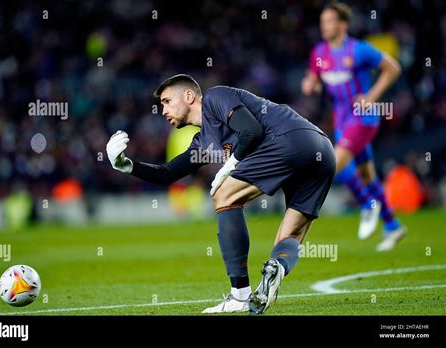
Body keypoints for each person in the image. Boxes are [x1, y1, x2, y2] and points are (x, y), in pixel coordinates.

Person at [106, 74, 335, 314]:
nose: (163, 110)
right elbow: (166, 174)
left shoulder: (216, 97)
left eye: (166, 101)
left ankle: (240, 295)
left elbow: (251, 131)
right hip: (322, 152)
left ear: (188, 96)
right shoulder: (203, 142)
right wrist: (127, 165)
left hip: (289, 138)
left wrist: (230, 165)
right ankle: (277, 266)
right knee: (292, 235)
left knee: (224, 195)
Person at [301, 2, 406, 251]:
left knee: (334, 164)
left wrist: (371, 96)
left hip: (363, 116)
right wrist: (309, 85)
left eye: (329, 21)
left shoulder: (359, 50)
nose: (324, 26)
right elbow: (313, 79)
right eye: (322, 21)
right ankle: (393, 226)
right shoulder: (319, 52)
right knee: (367, 173)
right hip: (341, 120)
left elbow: (392, 68)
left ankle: (368, 205)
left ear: (343, 24)